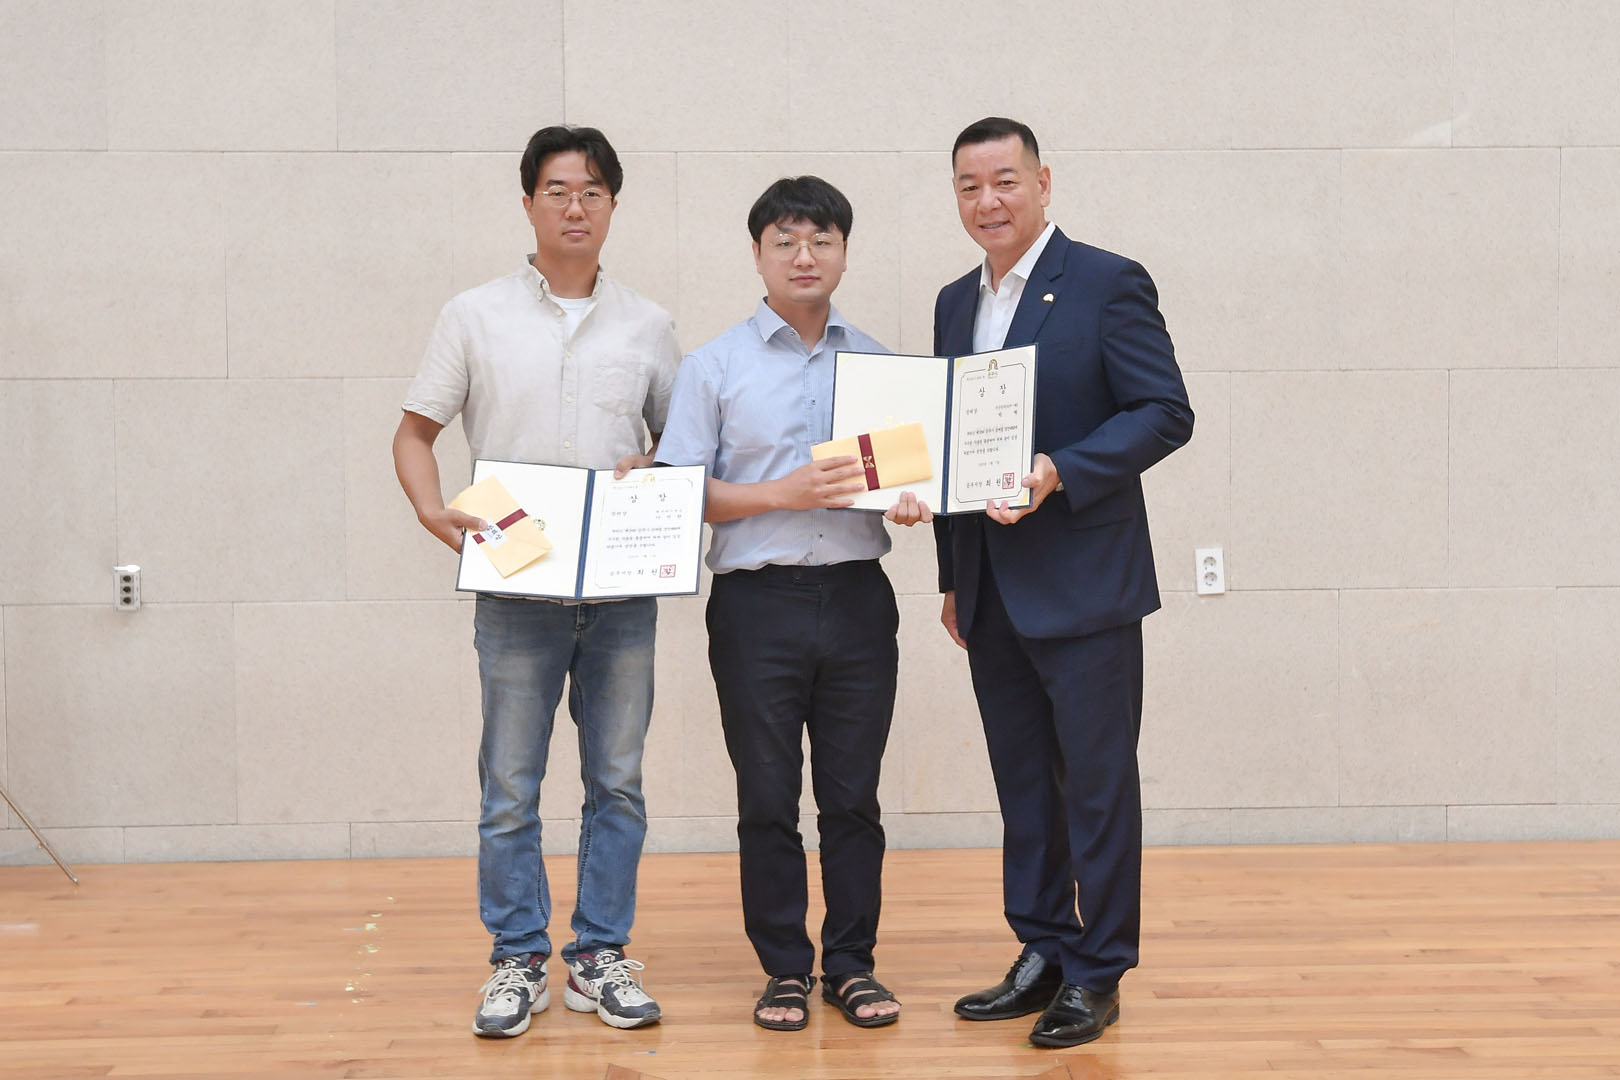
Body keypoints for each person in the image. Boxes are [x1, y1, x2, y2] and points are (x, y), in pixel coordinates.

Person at [392, 124, 678, 1039]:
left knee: (618, 782)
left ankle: (599, 954)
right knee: (510, 786)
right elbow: (414, 432)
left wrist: (655, 466)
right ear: (527, 203)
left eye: (592, 191)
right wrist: (432, 510)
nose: (574, 206)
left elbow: (679, 445)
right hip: (515, 589)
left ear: (613, 205)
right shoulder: (473, 315)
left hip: (622, 592)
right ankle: (517, 958)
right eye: (557, 190)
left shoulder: (648, 324)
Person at [932, 117, 1193, 1048]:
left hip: (1085, 581)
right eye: (970, 186)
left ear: (1043, 183)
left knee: (1096, 784)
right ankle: (1042, 945)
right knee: (1023, 784)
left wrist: (1059, 469)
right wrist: (951, 574)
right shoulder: (954, 303)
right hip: (990, 587)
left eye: (1005, 181)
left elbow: (1164, 411)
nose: (988, 201)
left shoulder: (1107, 281)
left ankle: (1098, 969)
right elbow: (954, 443)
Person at [654, 176, 908, 1031]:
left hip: (859, 599)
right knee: (766, 798)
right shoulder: (713, 366)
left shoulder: (880, 366)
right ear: (758, 254)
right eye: (786, 242)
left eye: (822, 240)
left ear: (844, 252)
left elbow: (907, 480)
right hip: (755, 606)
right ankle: (785, 970)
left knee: (853, 798)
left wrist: (916, 498)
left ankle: (852, 965)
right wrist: (783, 493)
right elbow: (681, 493)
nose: (805, 256)